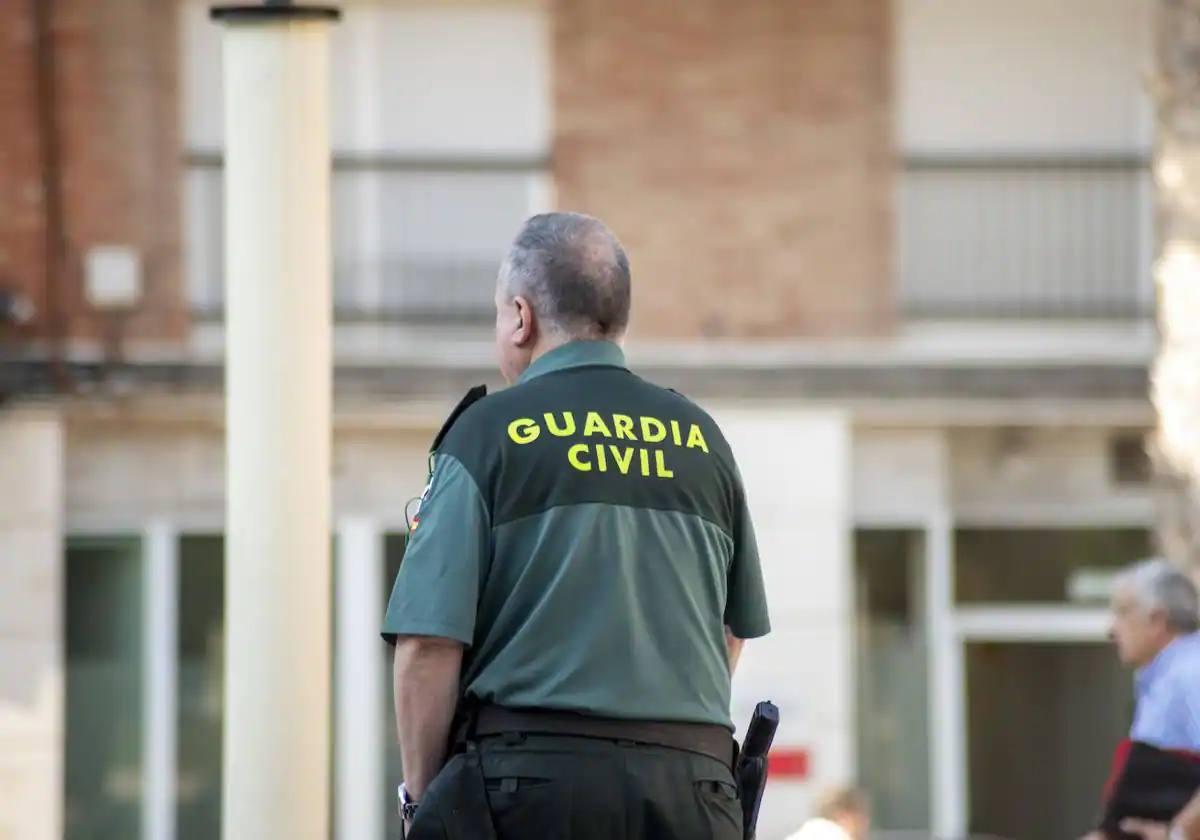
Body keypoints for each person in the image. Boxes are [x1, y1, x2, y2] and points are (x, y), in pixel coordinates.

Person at [381, 211, 771, 839]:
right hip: (691, 792)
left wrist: (426, 807)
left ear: (520, 316)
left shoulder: (485, 436)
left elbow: (427, 645)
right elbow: (729, 632)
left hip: (529, 791)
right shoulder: (702, 439)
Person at [1080, 559, 1200, 840]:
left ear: (1157, 620)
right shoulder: (1164, 678)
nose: (1111, 629)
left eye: (1122, 612)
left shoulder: (1189, 674)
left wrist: (1177, 835)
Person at [785, 786, 871, 840]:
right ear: (844, 815)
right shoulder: (836, 836)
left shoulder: (805, 833)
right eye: (862, 815)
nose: (867, 821)